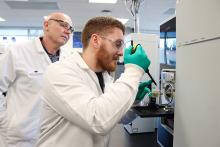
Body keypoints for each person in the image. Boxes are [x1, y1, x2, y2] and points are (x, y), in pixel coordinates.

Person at [36, 16, 151, 147]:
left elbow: (114, 116)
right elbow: (98, 120)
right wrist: (133, 71)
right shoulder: (60, 71)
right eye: (118, 44)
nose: (121, 53)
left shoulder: (105, 76)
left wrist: (133, 101)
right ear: (95, 40)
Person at [0, 12, 73, 147]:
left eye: (70, 29)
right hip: (20, 137)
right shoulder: (17, 52)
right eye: (63, 25)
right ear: (46, 25)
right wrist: (6, 122)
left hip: (55, 136)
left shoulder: (68, 59)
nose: (67, 31)